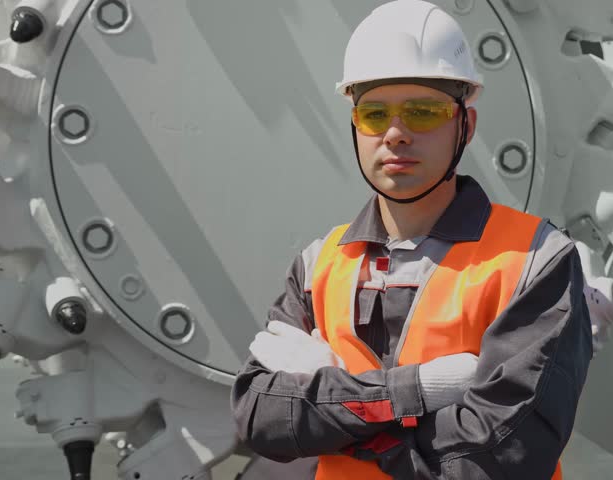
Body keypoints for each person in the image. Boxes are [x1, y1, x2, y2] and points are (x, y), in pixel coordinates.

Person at [231, 1, 593, 478]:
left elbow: (502, 456)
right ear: (355, 125)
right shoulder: (318, 264)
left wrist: (332, 395)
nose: (396, 134)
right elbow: (259, 416)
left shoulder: (535, 260)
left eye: (424, 112)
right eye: (374, 113)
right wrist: (419, 390)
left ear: (466, 125)